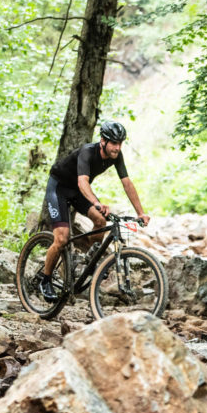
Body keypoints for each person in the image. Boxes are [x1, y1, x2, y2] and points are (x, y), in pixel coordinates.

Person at [36, 120, 152, 302]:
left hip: (77, 191)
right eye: (113, 143)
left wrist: (140, 212)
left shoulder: (116, 156)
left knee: (100, 220)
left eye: (120, 143)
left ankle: (88, 261)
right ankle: (45, 279)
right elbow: (83, 182)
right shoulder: (87, 152)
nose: (117, 147)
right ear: (103, 141)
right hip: (59, 187)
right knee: (62, 238)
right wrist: (97, 202)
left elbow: (127, 183)